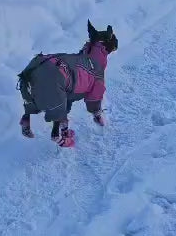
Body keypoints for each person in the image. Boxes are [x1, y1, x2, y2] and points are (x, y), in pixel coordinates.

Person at [17, 19, 118, 147]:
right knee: (58, 97)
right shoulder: (96, 71)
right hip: (54, 78)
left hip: (36, 67)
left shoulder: (77, 59)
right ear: (106, 48)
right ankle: (61, 137)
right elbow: (94, 98)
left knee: (60, 94)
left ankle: (26, 119)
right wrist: (97, 114)